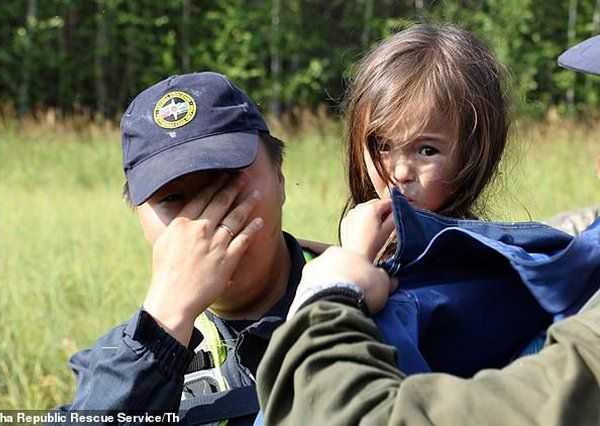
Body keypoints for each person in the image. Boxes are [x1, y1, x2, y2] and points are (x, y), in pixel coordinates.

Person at [256, 34, 600, 425]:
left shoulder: (481, 281)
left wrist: (335, 288)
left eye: (427, 150)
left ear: (474, 152)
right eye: (383, 145)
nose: (400, 172)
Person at [54, 72, 317, 425]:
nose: (206, 223)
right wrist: (162, 330)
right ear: (138, 216)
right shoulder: (117, 362)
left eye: (224, 186)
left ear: (280, 178)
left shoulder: (361, 297)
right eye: (173, 199)